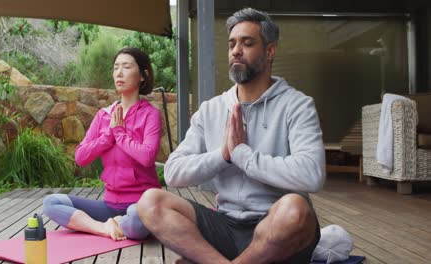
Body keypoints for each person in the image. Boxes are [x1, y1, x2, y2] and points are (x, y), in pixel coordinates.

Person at [137, 7, 325, 264]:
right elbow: (173, 173)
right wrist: (223, 155)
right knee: (150, 202)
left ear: (270, 51)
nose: (236, 50)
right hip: (224, 224)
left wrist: (243, 155)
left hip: (276, 229)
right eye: (232, 44)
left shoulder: (297, 105)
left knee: (296, 210)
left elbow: (311, 174)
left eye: (247, 43)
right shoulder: (212, 109)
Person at [43, 47, 162, 241]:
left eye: (126, 67)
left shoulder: (150, 114)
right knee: (50, 202)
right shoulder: (104, 115)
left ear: (142, 75)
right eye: (116, 68)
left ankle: (119, 224)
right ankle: (104, 228)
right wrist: (107, 137)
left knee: (138, 221)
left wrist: (120, 133)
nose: (119, 73)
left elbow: (147, 157)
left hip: (140, 203)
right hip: (109, 205)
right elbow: (80, 157)